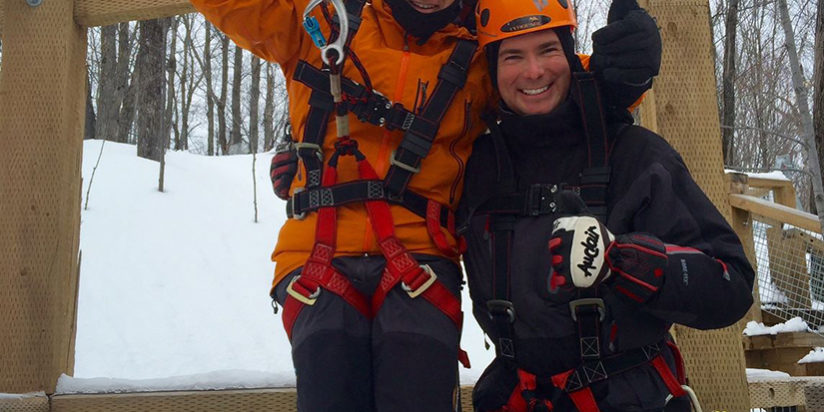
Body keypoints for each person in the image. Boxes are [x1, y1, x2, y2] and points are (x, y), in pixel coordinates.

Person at [191, 0, 661, 409]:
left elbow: (549, 82)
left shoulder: (479, 55)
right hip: (317, 248)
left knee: (416, 382)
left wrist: (623, 74)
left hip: (420, 257)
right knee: (329, 374)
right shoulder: (323, 22)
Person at [459, 0, 755, 411]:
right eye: (513, 56)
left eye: (547, 49)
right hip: (515, 395)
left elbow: (732, 286)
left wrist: (628, 262)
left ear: (570, 54)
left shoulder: (635, 155)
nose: (533, 71)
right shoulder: (474, 166)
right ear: (492, 69)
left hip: (626, 396)